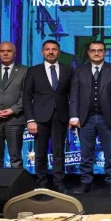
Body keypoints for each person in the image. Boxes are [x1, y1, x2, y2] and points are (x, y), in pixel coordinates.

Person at [69, 41, 111, 195]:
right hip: (85, 119)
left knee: (110, 154)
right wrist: (74, 116)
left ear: (104, 52)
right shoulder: (80, 70)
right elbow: (74, 95)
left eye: (100, 50)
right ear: (88, 52)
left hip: (108, 118)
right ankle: (85, 182)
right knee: (86, 154)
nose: (96, 53)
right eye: (93, 50)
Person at [23, 40, 72, 194]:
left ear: (59, 52)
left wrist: (72, 117)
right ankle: (42, 183)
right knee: (40, 152)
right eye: (47, 49)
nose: (51, 52)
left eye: (54, 49)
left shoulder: (68, 70)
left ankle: (59, 182)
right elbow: (26, 97)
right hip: (39, 118)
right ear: (42, 52)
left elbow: (73, 96)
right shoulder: (33, 71)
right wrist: (30, 120)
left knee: (59, 152)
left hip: (61, 117)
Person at [0, 42, 27, 168]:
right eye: (2, 51)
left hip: (15, 119)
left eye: (9, 51)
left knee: (16, 158)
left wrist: (13, 109)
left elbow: (26, 95)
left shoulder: (24, 71)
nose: (5, 53)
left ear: (15, 53)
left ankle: (17, 181)